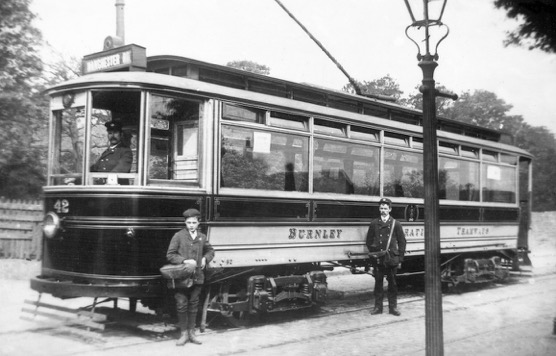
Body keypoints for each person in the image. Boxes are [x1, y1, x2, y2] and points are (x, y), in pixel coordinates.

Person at [166, 208, 215, 346]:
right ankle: (183, 334)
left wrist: (206, 258)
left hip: (198, 277)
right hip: (181, 277)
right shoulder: (178, 236)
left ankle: (192, 334)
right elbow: (170, 255)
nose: (191, 225)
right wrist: (184, 261)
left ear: (198, 223)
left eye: (194, 222)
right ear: (185, 223)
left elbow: (211, 251)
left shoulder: (202, 237)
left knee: (194, 305)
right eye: (188, 222)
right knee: (181, 305)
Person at [366, 198, 406, 316]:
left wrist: (400, 258)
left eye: (385, 208)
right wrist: (375, 252)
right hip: (379, 259)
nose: (383, 211)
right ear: (379, 209)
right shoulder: (374, 223)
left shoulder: (396, 224)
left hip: (391, 259)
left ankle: (393, 308)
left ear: (390, 209)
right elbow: (368, 241)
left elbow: (402, 242)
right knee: (378, 284)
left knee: (392, 285)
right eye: (381, 208)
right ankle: (378, 308)